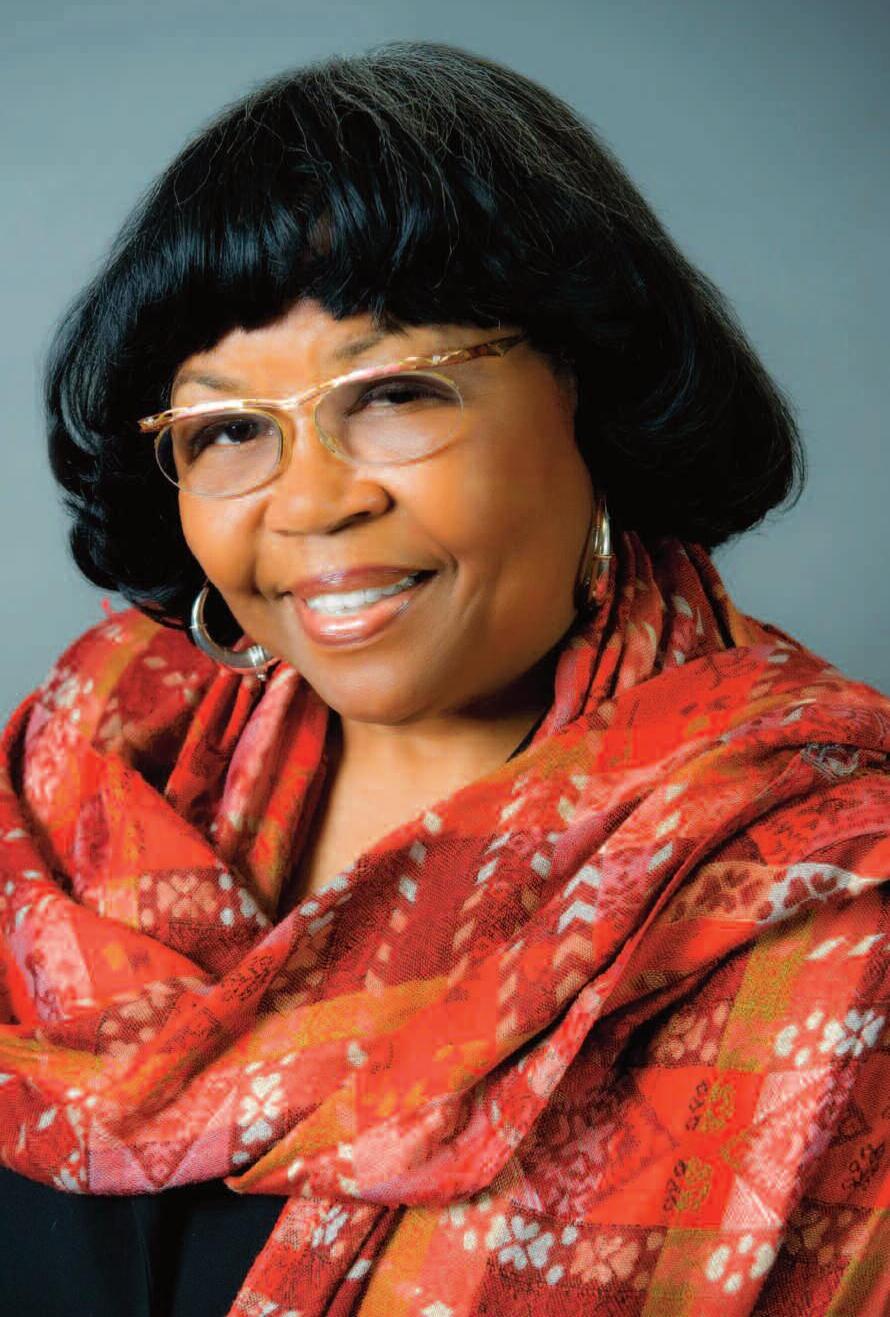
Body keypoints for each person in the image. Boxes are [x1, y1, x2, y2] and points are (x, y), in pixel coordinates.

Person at [1, 38, 888, 1317]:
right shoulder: (83, 766)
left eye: (393, 394)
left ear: (590, 395)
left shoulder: (822, 888)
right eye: (230, 428)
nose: (310, 503)